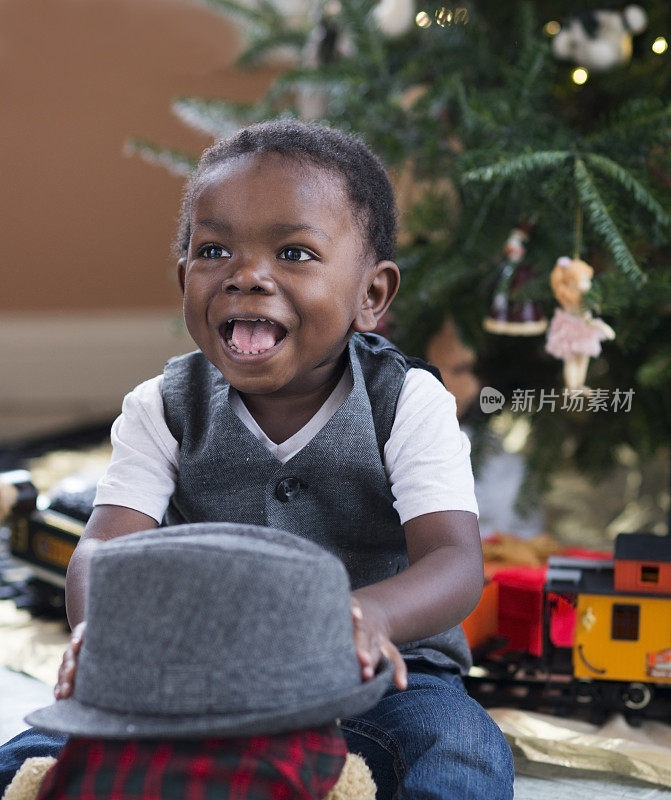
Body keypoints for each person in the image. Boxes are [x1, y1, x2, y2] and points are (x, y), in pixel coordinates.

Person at [1, 120, 513, 798]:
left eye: (295, 253)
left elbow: (453, 561)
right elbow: (103, 549)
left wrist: (374, 619)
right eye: (214, 250)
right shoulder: (162, 407)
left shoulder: (407, 401)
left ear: (371, 296)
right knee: (34, 748)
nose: (246, 276)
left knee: (464, 749)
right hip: (191, 677)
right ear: (185, 277)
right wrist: (104, 632)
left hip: (376, 681)